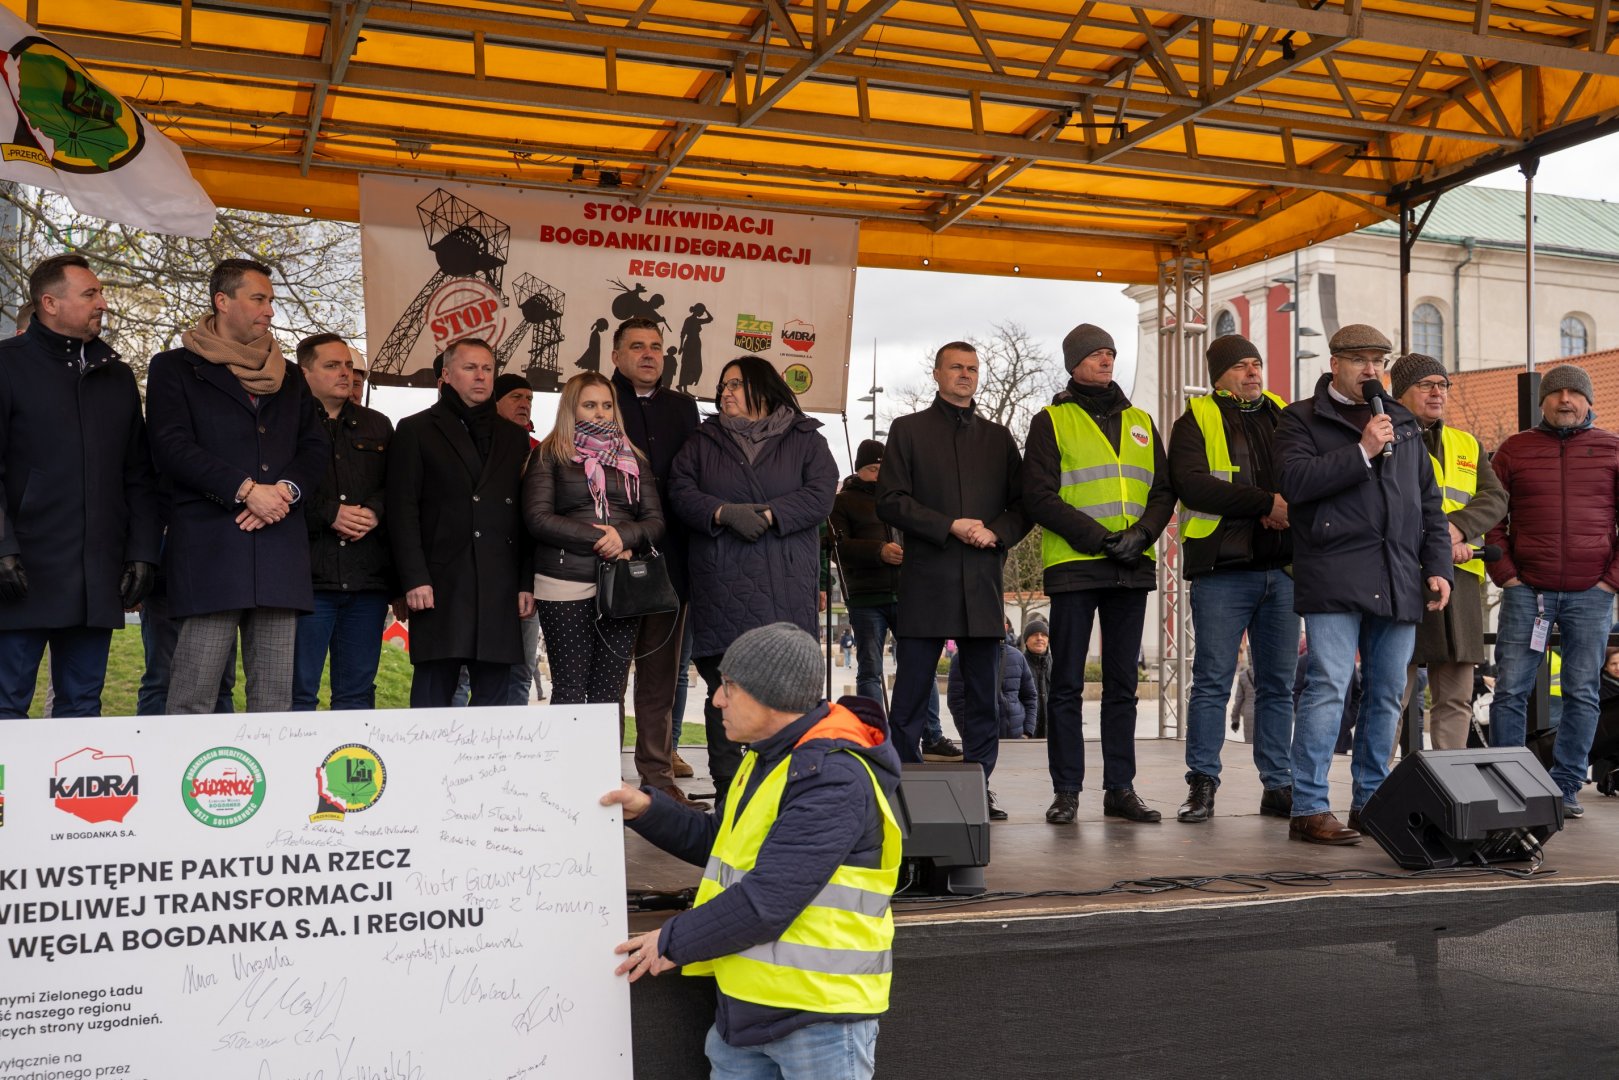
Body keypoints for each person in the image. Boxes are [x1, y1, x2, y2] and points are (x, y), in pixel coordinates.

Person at [604, 623, 900, 1080]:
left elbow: (768, 901)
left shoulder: (833, 778)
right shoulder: (768, 758)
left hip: (818, 1021)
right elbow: (720, 841)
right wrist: (645, 809)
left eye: (729, 686)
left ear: (771, 696)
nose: (717, 700)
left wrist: (671, 940)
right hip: (744, 1014)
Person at [1275, 324, 1452, 844]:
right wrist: (1361, 450)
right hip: (1334, 571)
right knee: (1330, 685)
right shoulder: (1300, 418)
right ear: (1335, 364)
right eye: (1359, 360)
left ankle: (1371, 804)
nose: (1371, 370)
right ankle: (1309, 807)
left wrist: (1437, 565)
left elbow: (1429, 504)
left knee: (1388, 693)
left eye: (1378, 360)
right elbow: (1295, 483)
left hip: (1398, 576)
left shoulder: (1402, 422)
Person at [146, 258, 328, 713]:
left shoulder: (290, 376)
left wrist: (283, 492)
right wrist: (246, 490)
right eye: (259, 299)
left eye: (271, 300)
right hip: (211, 551)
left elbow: (314, 448)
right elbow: (171, 446)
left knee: (274, 704)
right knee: (193, 698)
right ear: (222, 301)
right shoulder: (173, 367)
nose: (270, 310)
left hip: (279, 550)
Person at [670, 356, 838, 809]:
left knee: (789, 692)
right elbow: (681, 491)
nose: (724, 393)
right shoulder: (703, 440)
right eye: (722, 386)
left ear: (763, 388)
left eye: (735, 385)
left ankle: (793, 793)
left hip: (785, 581)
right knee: (726, 689)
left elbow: (821, 493)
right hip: (722, 580)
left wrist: (770, 514)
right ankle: (730, 794)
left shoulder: (805, 438)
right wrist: (722, 513)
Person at [1022, 323, 1173, 826]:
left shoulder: (1140, 421)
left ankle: (1120, 788)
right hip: (1076, 565)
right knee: (1066, 682)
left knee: (1122, 685)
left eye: (1110, 352)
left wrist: (1142, 535)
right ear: (1074, 364)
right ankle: (1066, 790)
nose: (1106, 360)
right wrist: (1101, 539)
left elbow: (1163, 490)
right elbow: (1037, 496)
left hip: (1131, 565)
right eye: (1095, 354)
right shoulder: (1050, 421)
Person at [0, 254, 161, 717]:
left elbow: (138, 475)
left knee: (82, 710)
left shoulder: (117, 375)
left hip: (97, 576)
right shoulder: (6, 365)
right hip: (20, 572)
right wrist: (1, 548)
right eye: (90, 294)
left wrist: (143, 552)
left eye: (101, 293)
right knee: (6, 706)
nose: (102, 303)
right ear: (50, 303)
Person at [878, 342, 1028, 819]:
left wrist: (996, 531)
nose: (965, 375)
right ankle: (902, 789)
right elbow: (891, 500)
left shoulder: (999, 438)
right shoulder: (908, 430)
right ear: (937, 373)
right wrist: (949, 526)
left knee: (985, 698)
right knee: (910, 696)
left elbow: (1024, 504)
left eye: (972, 369)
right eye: (956, 367)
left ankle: (977, 789)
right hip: (927, 581)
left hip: (982, 583)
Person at [1167, 333, 1297, 823]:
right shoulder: (1195, 419)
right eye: (1242, 365)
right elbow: (1193, 485)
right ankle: (1202, 784)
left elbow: (1306, 474)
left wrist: (1287, 509)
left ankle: (1278, 785)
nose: (1253, 372)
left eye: (1256, 363)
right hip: (1223, 570)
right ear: (1218, 375)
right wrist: (1265, 504)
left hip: (1282, 570)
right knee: (1212, 683)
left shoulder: (1284, 414)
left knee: (1278, 686)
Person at [1485, 363, 1619, 818]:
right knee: (1510, 690)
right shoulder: (1514, 449)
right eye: (1556, 392)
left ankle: (1565, 787)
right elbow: (1492, 517)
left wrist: (1609, 583)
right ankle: (1507, 785)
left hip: (1591, 594)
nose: (1565, 400)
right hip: (1527, 591)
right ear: (1542, 401)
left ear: (1588, 401)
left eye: (1574, 393)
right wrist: (1507, 575)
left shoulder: (1612, 448)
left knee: (1582, 692)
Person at [387, 337, 534, 707]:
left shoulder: (515, 437)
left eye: (487, 368)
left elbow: (525, 516)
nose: (480, 376)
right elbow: (402, 510)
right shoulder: (416, 429)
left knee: (494, 702)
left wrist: (525, 582)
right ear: (447, 376)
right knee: (432, 698)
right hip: (440, 583)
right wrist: (413, 578)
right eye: (470, 368)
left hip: (499, 583)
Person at [524, 374, 671, 722]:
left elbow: (655, 522)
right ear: (571, 409)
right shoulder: (549, 454)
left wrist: (625, 537)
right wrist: (604, 539)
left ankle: (605, 761)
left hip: (621, 586)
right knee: (570, 688)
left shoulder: (634, 458)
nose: (601, 413)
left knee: (609, 692)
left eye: (607, 405)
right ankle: (567, 761)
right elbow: (538, 518)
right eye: (590, 405)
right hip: (564, 582)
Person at [1387, 353, 1508, 751]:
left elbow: (1495, 498)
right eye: (1426, 385)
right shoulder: (1383, 439)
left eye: (1442, 385)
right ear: (1400, 393)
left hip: (1462, 579)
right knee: (1392, 693)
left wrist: (1456, 529)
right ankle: (1374, 781)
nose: (1437, 392)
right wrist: (1439, 540)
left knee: (1456, 697)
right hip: (1402, 574)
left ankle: (1446, 779)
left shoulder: (1466, 443)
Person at [611, 316, 703, 793]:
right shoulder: (597, 399)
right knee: (605, 682)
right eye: (637, 346)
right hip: (610, 563)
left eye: (656, 346)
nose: (649, 354)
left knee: (660, 682)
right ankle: (599, 780)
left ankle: (658, 783)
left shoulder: (684, 409)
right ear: (616, 356)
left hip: (671, 566)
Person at [829, 438, 960, 758]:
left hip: (908, 593)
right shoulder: (842, 502)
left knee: (921, 666)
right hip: (865, 596)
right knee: (870, 669)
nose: (880, 474)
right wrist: (878, 551)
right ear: (860, 470)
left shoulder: (903, 499)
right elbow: (836, 548)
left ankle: (932, 736)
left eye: (883, 469)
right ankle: (876, 739)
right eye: (873, 469)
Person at [290, 333, 394, 711]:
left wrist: (376, 510)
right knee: (297, 694)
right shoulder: (286, 424)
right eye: (332, 365)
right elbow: (275, 491)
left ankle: (350, 754)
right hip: (307, 583)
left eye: (349, 366)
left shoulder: (378, 425)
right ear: (304, 373)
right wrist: (328, 513)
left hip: (366, 582)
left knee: (356, 696)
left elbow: (399, 487)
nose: (345, 373)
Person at [494, 372, 545, 704]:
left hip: (530, 573)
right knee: (472, 671)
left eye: (529, 398)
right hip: (488, 572)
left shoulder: (540, 451)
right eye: (516, 397)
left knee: (523, 667)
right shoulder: (480, 446)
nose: (524, 404)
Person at [949, 639, 1037, 739]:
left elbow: (1030, 696)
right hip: (981, 738)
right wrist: (970, 735)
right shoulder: (963, 657)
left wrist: (1027, 732)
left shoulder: (1017, 656)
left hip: (1017, 736)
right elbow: (956, 700)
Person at [1021, 617, 1051, 738]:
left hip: (1051, 733)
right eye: (1034, 635)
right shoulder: (1019, 664)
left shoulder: (1057, 664)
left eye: (1043, 635)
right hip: (1026, 733)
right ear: (1026, 641)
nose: (1039, 638)